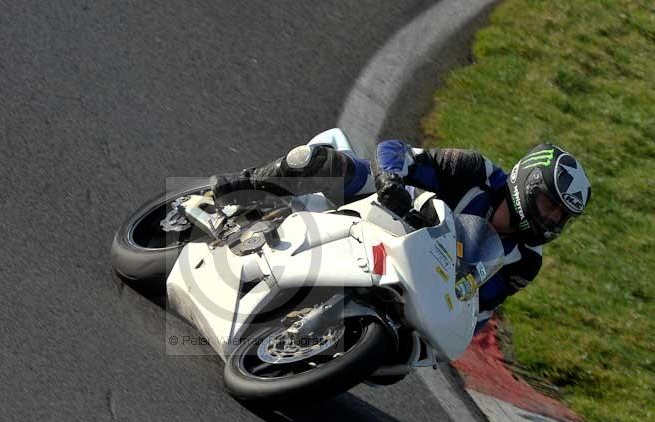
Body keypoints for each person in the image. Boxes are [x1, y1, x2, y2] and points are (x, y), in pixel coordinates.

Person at [211, 140, 591, 331]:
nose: (552, 219)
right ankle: (243, 185)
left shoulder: (526, 261)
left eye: (561, 216)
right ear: (528, 183)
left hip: (421, 277)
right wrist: (391, 179)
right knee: (316, 161)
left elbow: (483, 307)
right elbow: (397, 150)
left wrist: (458, 324)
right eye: (549, 204)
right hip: (387, 208)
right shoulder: (476, 171)